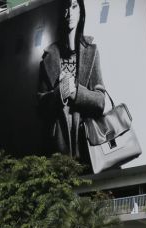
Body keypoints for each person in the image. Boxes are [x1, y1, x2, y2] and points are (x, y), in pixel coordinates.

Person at [37, 0, 106, 164]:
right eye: (65, 7)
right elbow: (40, 106)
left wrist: (75, 92)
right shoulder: (47, 57)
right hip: (57, 148)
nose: (69, 13)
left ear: (81, 11)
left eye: (74, 6)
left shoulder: (92, 51)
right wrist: (58, 93)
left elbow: (100, 101)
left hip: (88, 144)